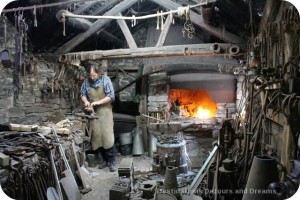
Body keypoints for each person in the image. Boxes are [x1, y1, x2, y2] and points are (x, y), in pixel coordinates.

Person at [80, 63, 116, 172]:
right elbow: (82, 94)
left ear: (99, 73)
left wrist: (97, 102)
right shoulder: (86, 82)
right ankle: (102, 161)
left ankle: (111, 161)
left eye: (94, 75)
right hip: (93, 113)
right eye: (90, 75)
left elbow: (111, 96)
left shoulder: (106, 80)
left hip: (105, 112)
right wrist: (86, 101)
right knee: (96, 138)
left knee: (107, 136)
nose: (92, 77)